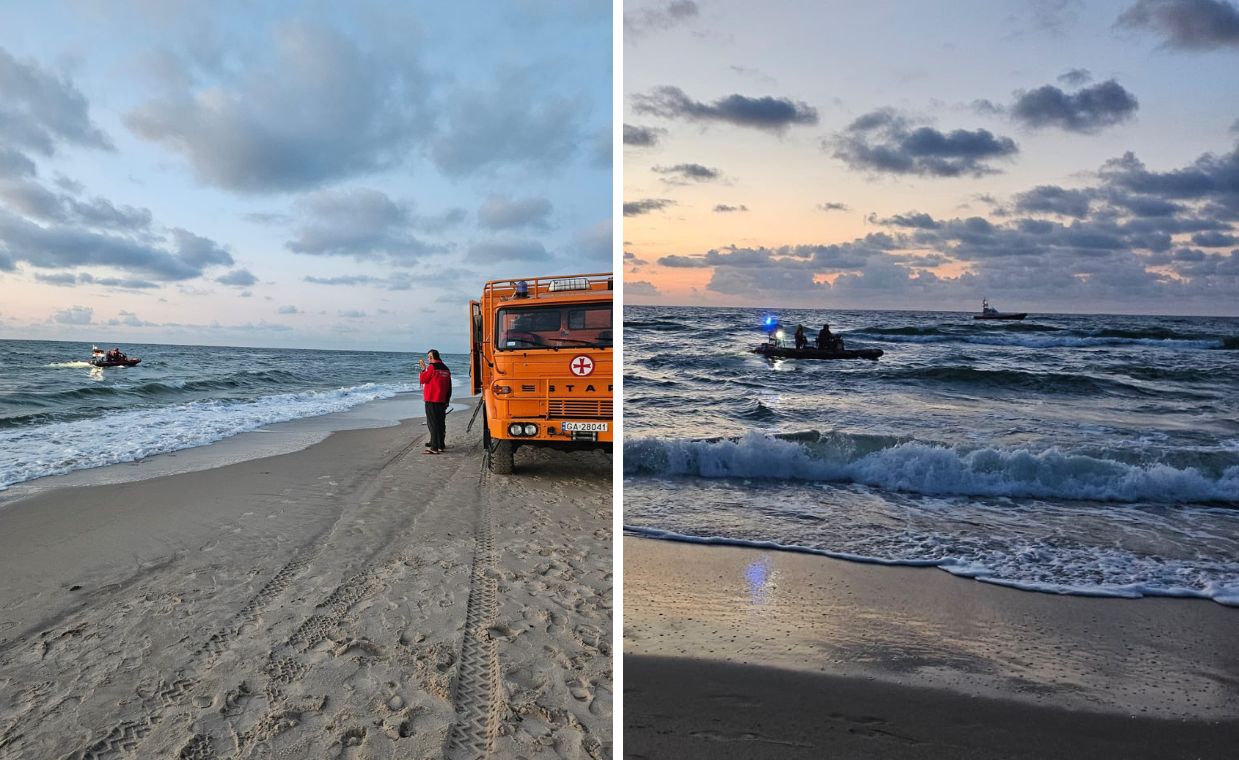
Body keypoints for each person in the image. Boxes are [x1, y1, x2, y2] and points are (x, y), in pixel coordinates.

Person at [419, 349, 452, 454]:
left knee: (433, 423)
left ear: (432, 357)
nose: (428, 359)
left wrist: (423, 369)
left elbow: (423, 379)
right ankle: (440, 444)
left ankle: (434, 447)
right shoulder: (446, 369)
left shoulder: (432, 367)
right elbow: (449, 387)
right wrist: (447, 400)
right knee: (440, 423)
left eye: (429, 357)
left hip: (432, 399)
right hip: (442, 399)